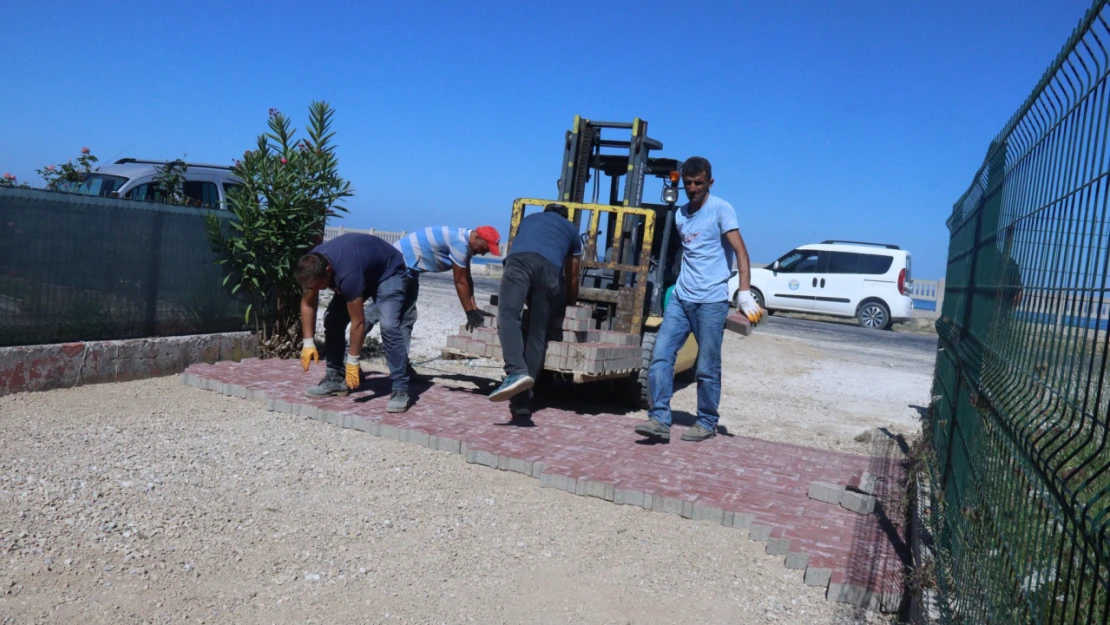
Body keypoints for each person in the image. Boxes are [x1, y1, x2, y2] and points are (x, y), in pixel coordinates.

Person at [635, 157, 762, 443]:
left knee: (706, 366)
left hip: (711, 302)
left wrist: (743, 292)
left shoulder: (721, 210)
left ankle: (706, 421)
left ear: (709, 183)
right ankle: (659, 419)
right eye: (689, 183)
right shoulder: (680, 215)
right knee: (660, 356)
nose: (693, 189)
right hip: (682, 298)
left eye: (698, 183)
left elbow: (741, 252)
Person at [295, 233, 413, 413]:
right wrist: (308, 343)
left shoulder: (347, 274)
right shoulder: (312, 266)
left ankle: (400, 388)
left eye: (319, 286)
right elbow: (307, 302)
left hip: (389, 272)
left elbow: (358, 322)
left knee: (388, 325)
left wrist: (353, 362)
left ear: (328, 271)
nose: (316, 290)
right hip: (362, 268)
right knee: (333, 319)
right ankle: (334, 378)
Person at [488, 203, 582, 423]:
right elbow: (573, 274)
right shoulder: (571, 230)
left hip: (519, 262)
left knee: (509, 316)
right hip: (550, 270)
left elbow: (519, 248)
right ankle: (521, 403)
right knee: (538, 334)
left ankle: (515, 371)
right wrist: (569, 302)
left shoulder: (529, 220)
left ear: (546, 212)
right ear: (565, 216)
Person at [369, 225, 502, 377]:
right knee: (375, 313)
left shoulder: (464, 243)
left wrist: (474, 308)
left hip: (409, 271)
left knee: (407, 318)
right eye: (485, 248)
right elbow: (460, 280)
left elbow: (467, 278)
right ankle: (346, 358)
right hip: (396, 268)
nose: (484, 253)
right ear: (477, 237)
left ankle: (401, 367)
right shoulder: (459, 244)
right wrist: (469, 312)